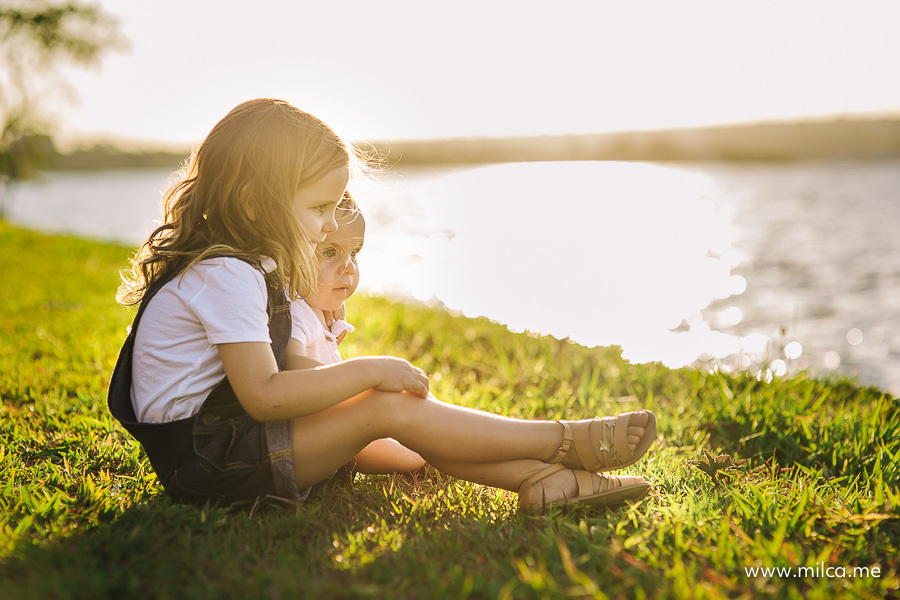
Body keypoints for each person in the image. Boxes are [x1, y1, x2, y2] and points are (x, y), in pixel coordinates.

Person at [108, 98, 656, 512]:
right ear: (255, 205)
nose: (328, 220)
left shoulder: (245, 271)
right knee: (382, 404)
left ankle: (545, 479)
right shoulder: (225, 275)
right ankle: (563, 441)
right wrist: (373, 371)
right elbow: (265, 397)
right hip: (210, 465)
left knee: (394, 413)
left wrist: (404, 423)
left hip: (227, 454)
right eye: (318, 207)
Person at [290, 191, 428, 476]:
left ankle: (453, 443)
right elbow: (292, 369)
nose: (348, 267)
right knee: (417, 455)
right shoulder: (294, 314)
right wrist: (362, 381)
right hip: (323, 434)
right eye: (330, 252)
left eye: (354, 253)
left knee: (418, 412)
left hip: (339, 422)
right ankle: (444, 455)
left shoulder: (317, 310)